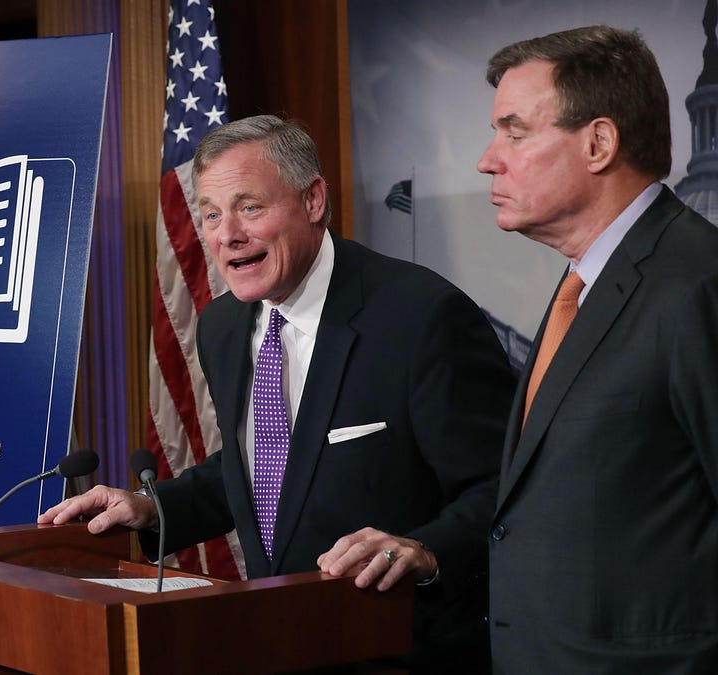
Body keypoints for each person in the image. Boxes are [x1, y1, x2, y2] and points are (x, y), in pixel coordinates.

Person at [41, 114, 514, 672]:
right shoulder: (223, 326)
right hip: (279, 644)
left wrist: (427, 551)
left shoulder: (421, 318)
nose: (225, 235)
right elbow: (264, 470)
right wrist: (151, 507)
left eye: (249, 207)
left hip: (404, 650)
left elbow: (505, 490)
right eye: (212, 214)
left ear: (313, 200)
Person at [477, 26, 718, 673]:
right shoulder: (584, 282)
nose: (487, 159)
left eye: (515, 130)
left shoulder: (698, 280)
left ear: (599, 142)